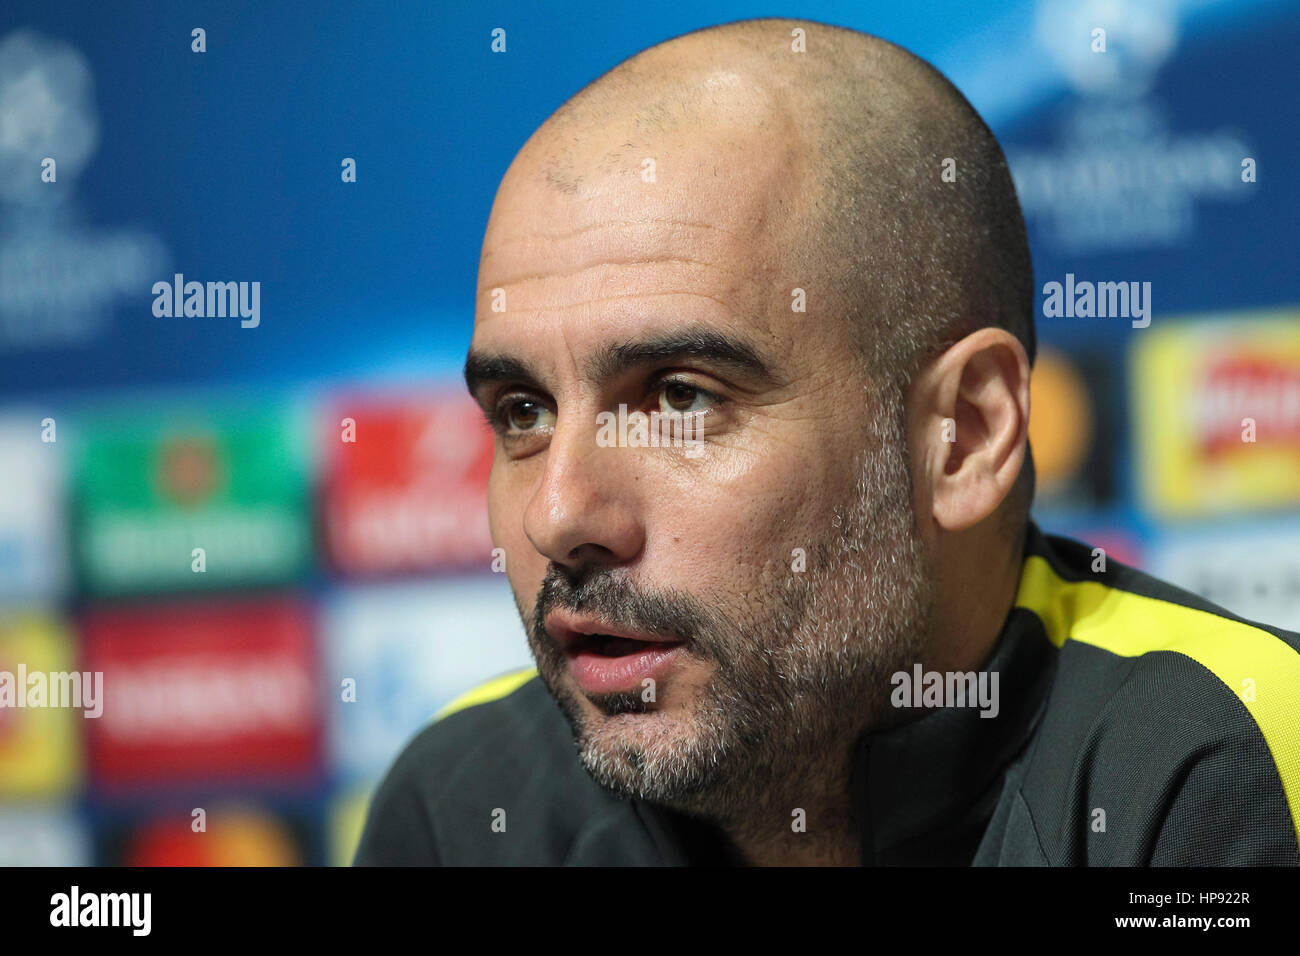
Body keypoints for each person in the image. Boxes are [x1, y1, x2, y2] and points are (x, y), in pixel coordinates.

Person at [354, 17, 1300, 866]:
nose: (559, 515)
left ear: (965, 436)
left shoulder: (1222, 761)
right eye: (522, 411)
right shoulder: (464, 806)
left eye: (681, 396)